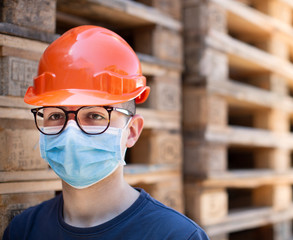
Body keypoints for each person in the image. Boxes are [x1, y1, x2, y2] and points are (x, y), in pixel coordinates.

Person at [2, 25, 209, 240]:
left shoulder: (176, 236)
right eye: (55, 116)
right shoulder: (23, 231)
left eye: (95, 115)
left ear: (132, 132)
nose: (71, 132)